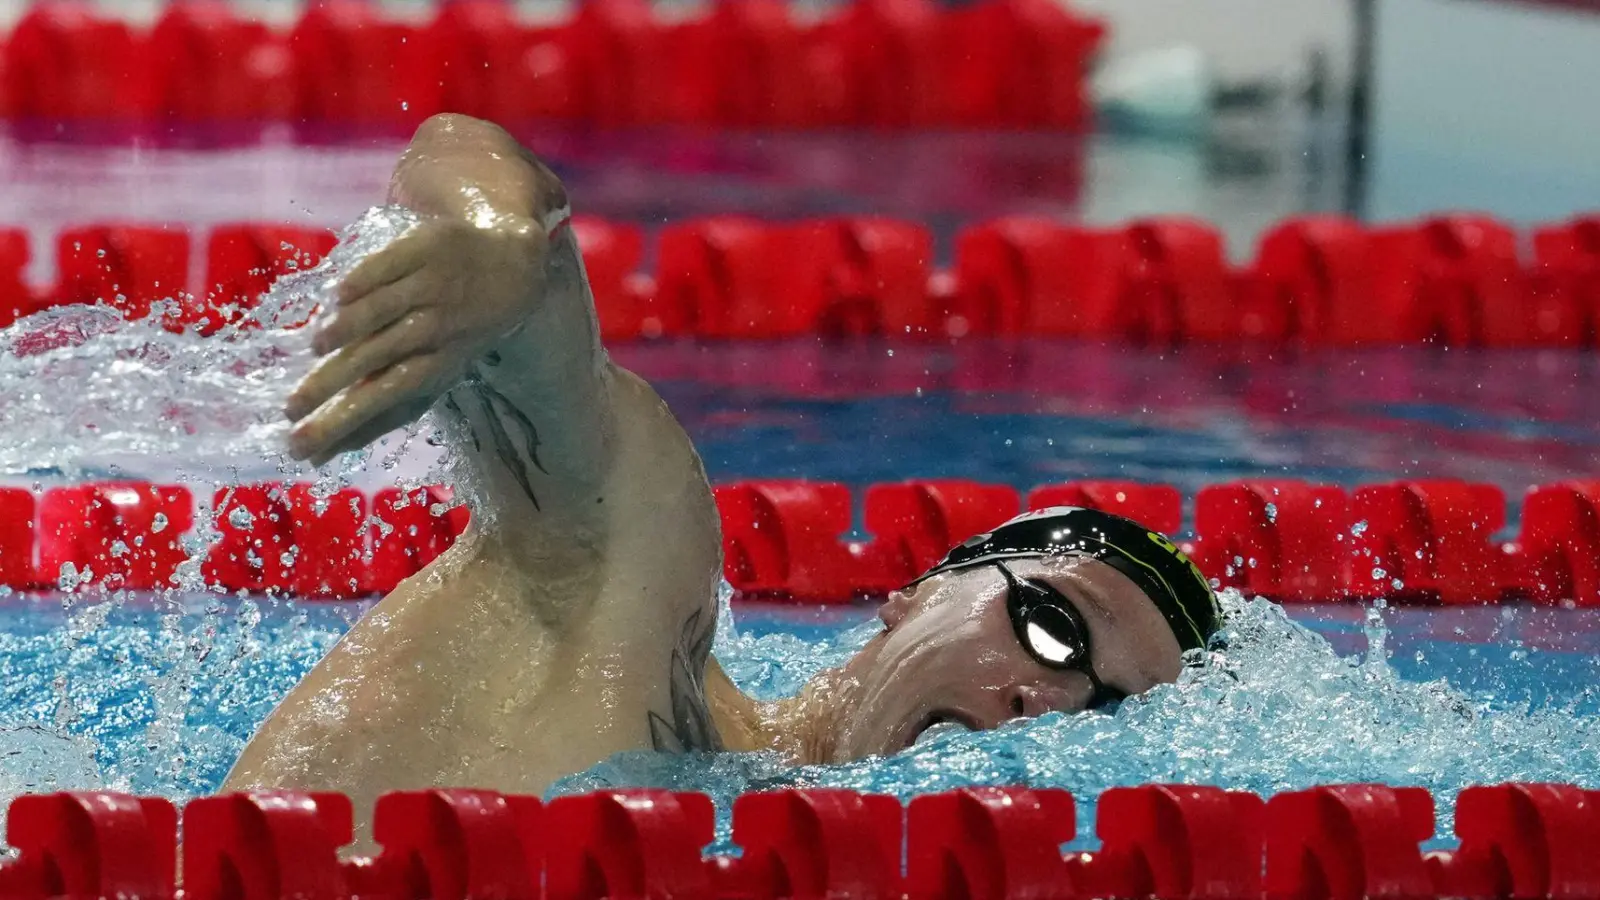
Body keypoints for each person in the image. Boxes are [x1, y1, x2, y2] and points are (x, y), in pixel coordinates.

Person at [223, 114, 1221, 829]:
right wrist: (498, 244)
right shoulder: (621, 596)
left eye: (1103, 710)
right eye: (1051, 632)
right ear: (916, 596)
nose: (1041, 708)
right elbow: (462, 149)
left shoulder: (757, 826)